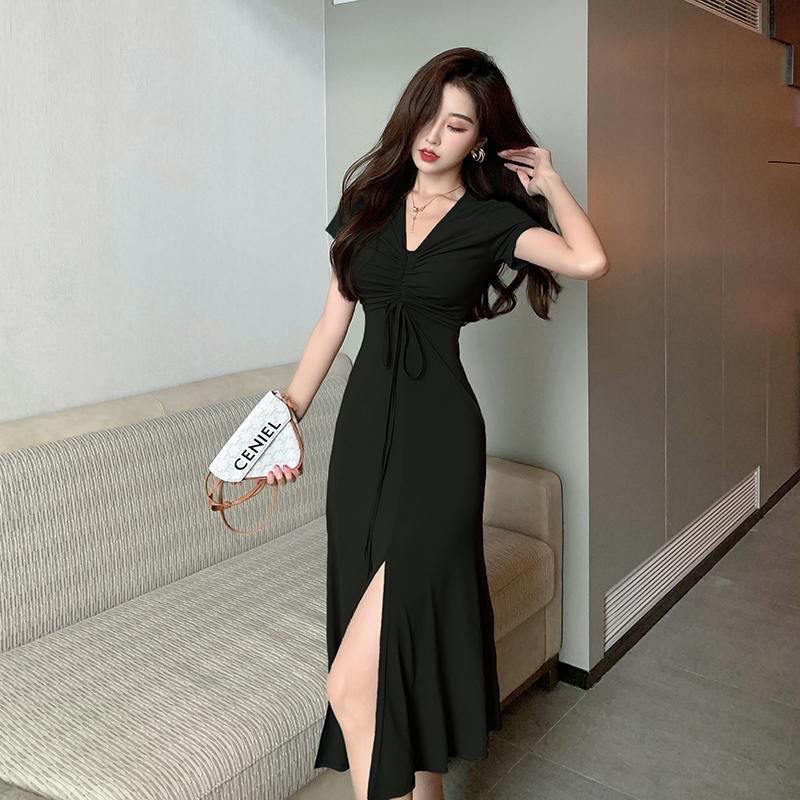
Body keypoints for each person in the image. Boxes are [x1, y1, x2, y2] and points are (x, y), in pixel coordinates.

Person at [266, 47, 607, 800]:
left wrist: (549, 181)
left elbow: (589, 260)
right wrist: (285, 416)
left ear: (480, 140)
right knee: (393, 668)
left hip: (441, 447)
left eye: (456, 126)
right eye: (429, 116)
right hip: (361, 444)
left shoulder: (490, 221)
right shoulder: (367, 204)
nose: (434, 137)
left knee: (353, 684)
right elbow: (331, 325)